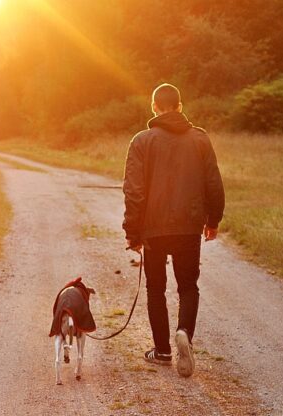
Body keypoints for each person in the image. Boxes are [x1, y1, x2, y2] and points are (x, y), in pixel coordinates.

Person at [122, 83, 225, 377]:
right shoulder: (200, 139)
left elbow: (134, 191)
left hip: (153, 229)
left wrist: (133, 231)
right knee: (188, 286)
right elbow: (214, 184)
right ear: (180, 106)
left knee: (156, 288)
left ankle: (163, 351)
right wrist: (213, 220)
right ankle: (184, 334)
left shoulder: (141, 141)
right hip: (189, 227)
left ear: (154, 106)